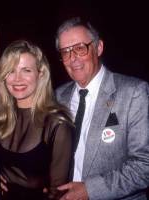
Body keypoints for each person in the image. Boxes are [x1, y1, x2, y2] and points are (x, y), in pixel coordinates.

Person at [55, 17, 149, 200]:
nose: (73, 58)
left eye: (80, 48)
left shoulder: (134, 93)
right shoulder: (58, 96)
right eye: (65, 52)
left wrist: (90, 190)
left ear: (98, 48)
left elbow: (145, 165)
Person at [0, 40, 73, 200]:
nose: (17, 79)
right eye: (11, 71)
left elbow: (58, 194)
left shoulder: (57, 125)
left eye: (26, 70)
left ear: (40, 74)